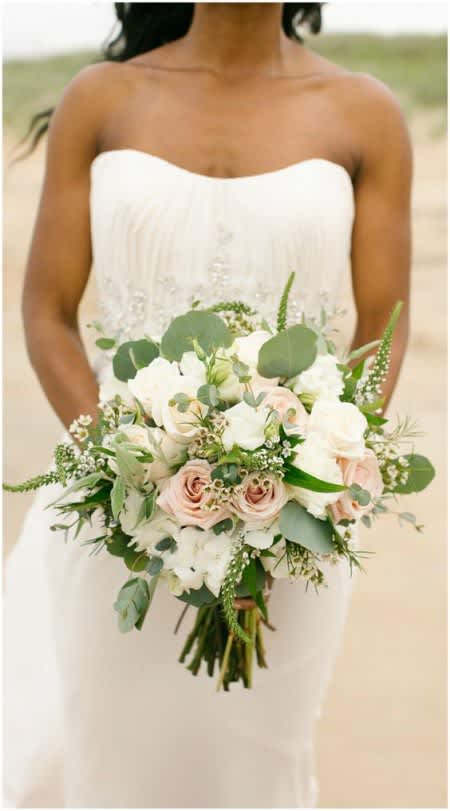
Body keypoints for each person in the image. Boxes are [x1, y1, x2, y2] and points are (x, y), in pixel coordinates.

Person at [4, 3, 411, 807]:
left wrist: (314, 479)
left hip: (291, 531)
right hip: (109, 517)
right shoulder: (101, 99)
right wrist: (134, 474)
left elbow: (382, 328)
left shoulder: (365, 113)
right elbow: (46, 311)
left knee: (257, 761)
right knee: (107, 760)